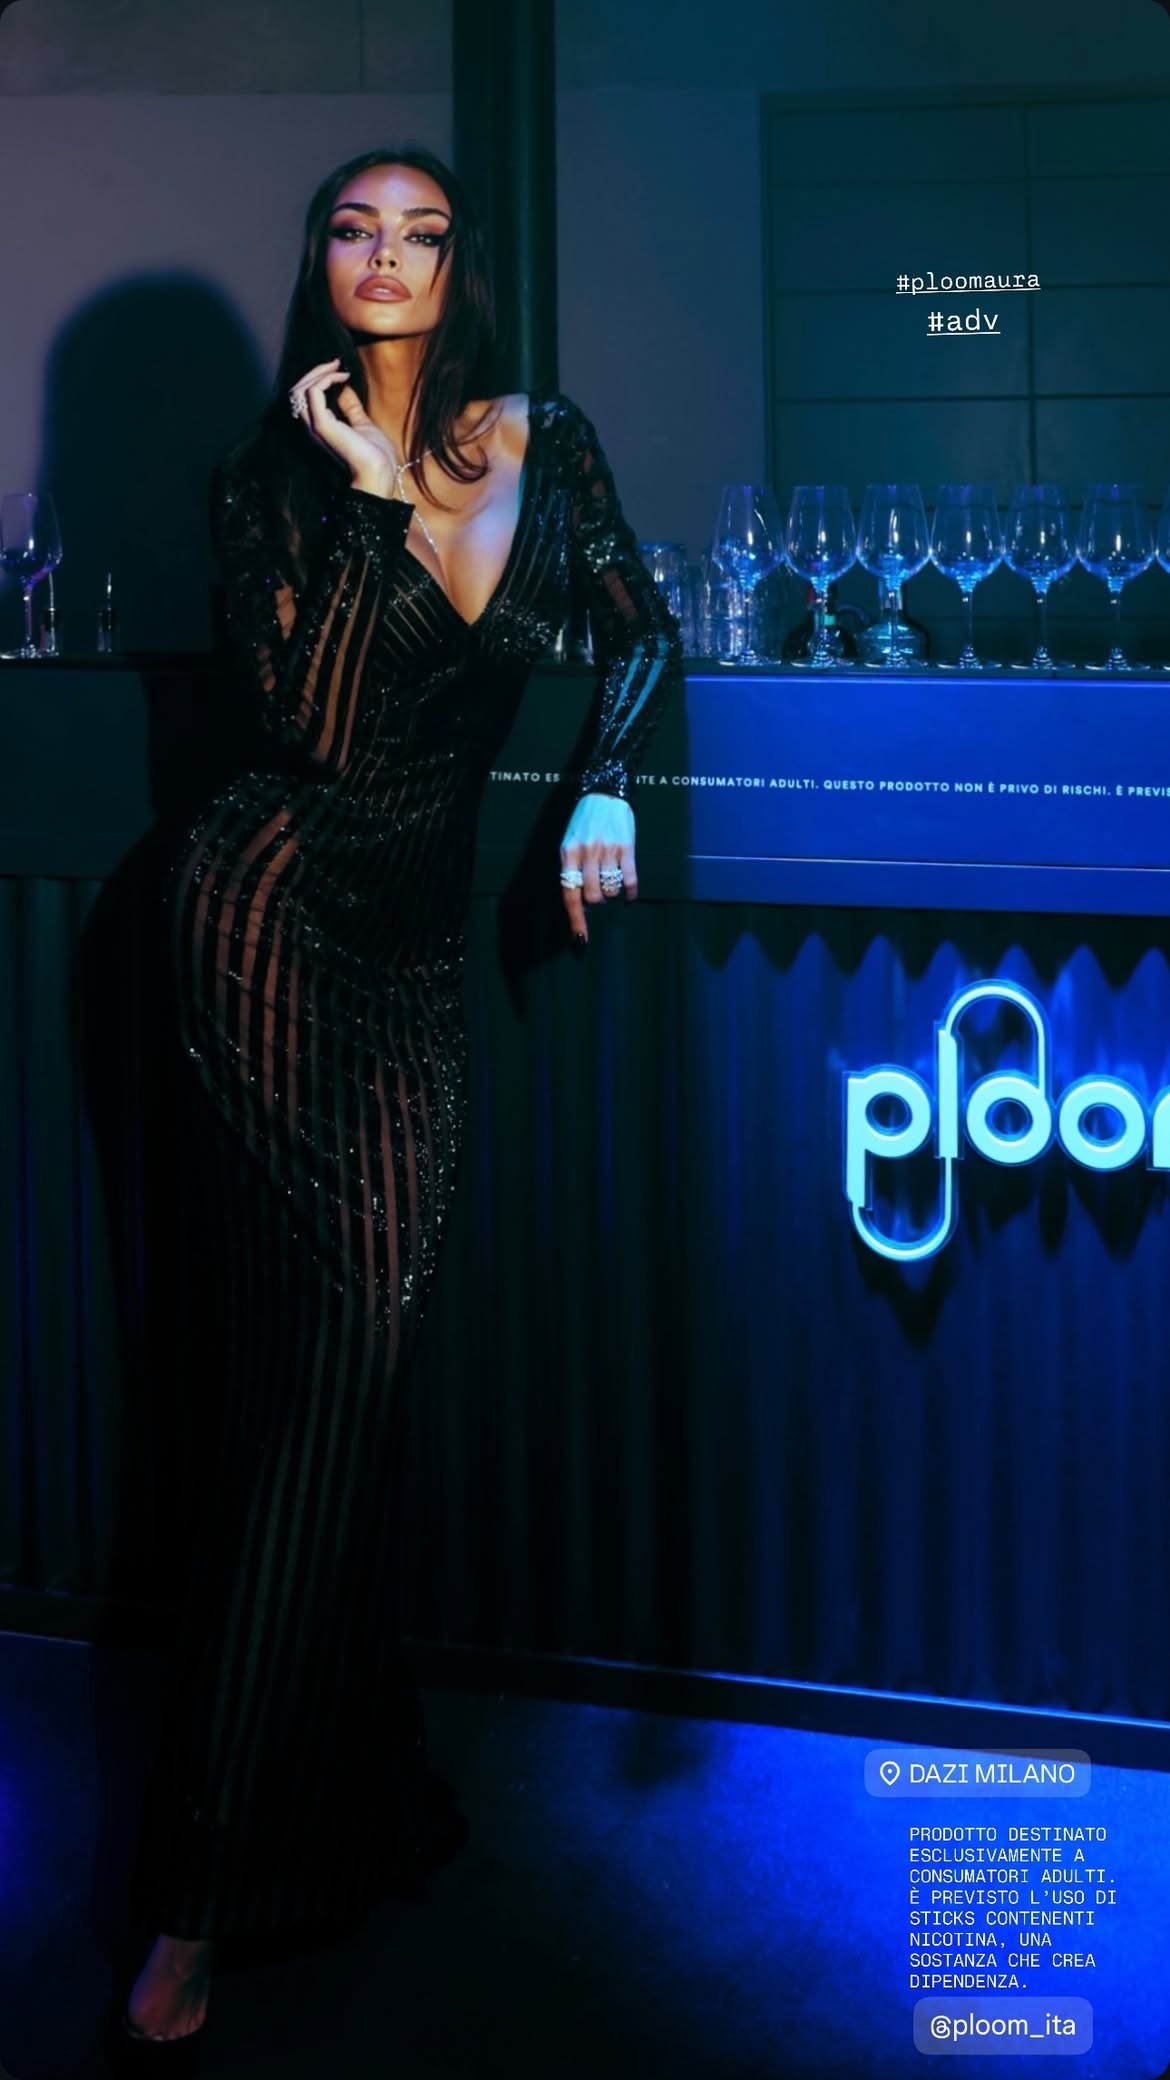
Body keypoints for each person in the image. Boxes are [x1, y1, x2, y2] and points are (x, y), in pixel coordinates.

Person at [110, 143, 683, 2052]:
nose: (386, 257)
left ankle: (326, 1807)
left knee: (349, 1380)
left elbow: (641, 629)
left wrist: (605, 785)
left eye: (420, 234)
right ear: (319, 260)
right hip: (260, 926)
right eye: (354, 230)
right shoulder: (267, 478)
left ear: (459, 269)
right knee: (319, 1378)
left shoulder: (542, 437)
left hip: (413, 962)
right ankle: (195, 1898)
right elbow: (323, 724)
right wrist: (365, 496)